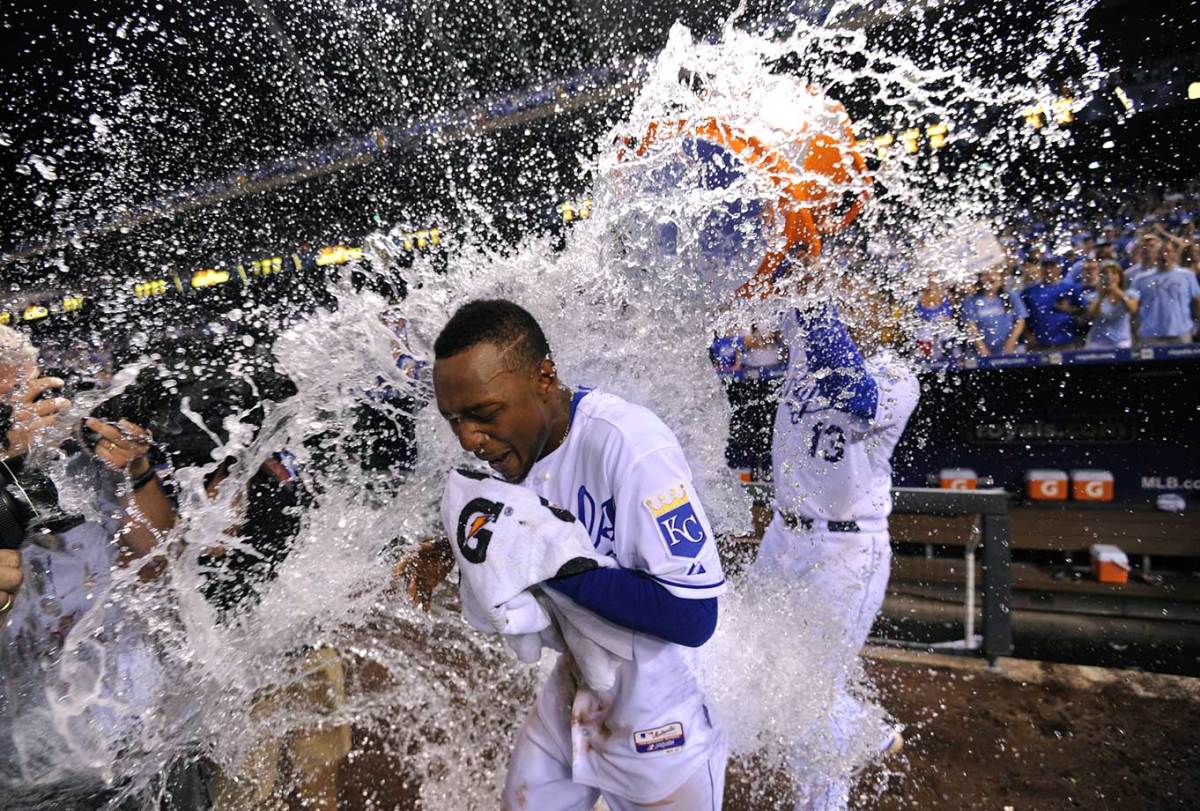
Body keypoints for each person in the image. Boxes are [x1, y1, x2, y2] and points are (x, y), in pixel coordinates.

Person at [403, 299, 727, 810]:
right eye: (454, 420)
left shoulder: (631, 445)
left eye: (483, 414)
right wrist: (454, 549)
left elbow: (693, 615)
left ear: (544, 377)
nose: (468, 438)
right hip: (575, 687)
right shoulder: (519, 446)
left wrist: (552, 564)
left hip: (657, 717)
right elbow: (527, 523)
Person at [751, 285, 919, 811]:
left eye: (860, 300)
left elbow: (856, 395)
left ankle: (826, 795)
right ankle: (863, 732)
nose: (851, 307)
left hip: (845, 550)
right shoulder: (808, 346)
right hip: (783, 536)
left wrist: (815, 295)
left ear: (886, 314)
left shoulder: (898, 377)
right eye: (844, 300)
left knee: (811, 695)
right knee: (747, 655)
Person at [1132, 236, 1200, 344]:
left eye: (1168, 251)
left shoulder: (1187, 275)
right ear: (1155, 255)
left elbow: (1197, 303)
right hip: (1151, 335)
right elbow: (1133, 309)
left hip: (1181, 332)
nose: (1164, 255)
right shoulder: (1141, 279)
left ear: (1175, 254)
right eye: (1160, 252)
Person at [960, 266, 1028, 356]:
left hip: (1010, 348)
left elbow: (1020, 321)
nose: (990, 278)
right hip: (980, 351)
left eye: (994, 274)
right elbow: (971, 326)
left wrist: (1011, 342)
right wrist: (982, 349)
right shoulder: (971, 300)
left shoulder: (1011, 295)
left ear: (1001, 277)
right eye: (985, 275)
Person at [1021, 258, 1082, 350]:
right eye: (1045, 266)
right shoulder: (1029, 291)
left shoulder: (1070, 288)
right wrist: (1027, 335)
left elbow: (1086, 312)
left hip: (1066, 341)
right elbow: (1022, 317)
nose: (1048, 269)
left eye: (1052, 266)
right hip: (1039, 343)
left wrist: (1069, 309)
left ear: (1060, 268)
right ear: (1040, 269)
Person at [1079, 260, 1140, 349]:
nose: (1110, 276)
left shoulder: (1130, 294)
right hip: (1097, 342)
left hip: (1121, 341)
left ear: (1120, 277)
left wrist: (1118, 292)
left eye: (1114, 273)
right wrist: (1101, 296)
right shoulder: (1093, 296)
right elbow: (1092, 314)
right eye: (1106, 273)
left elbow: (1133, 309)